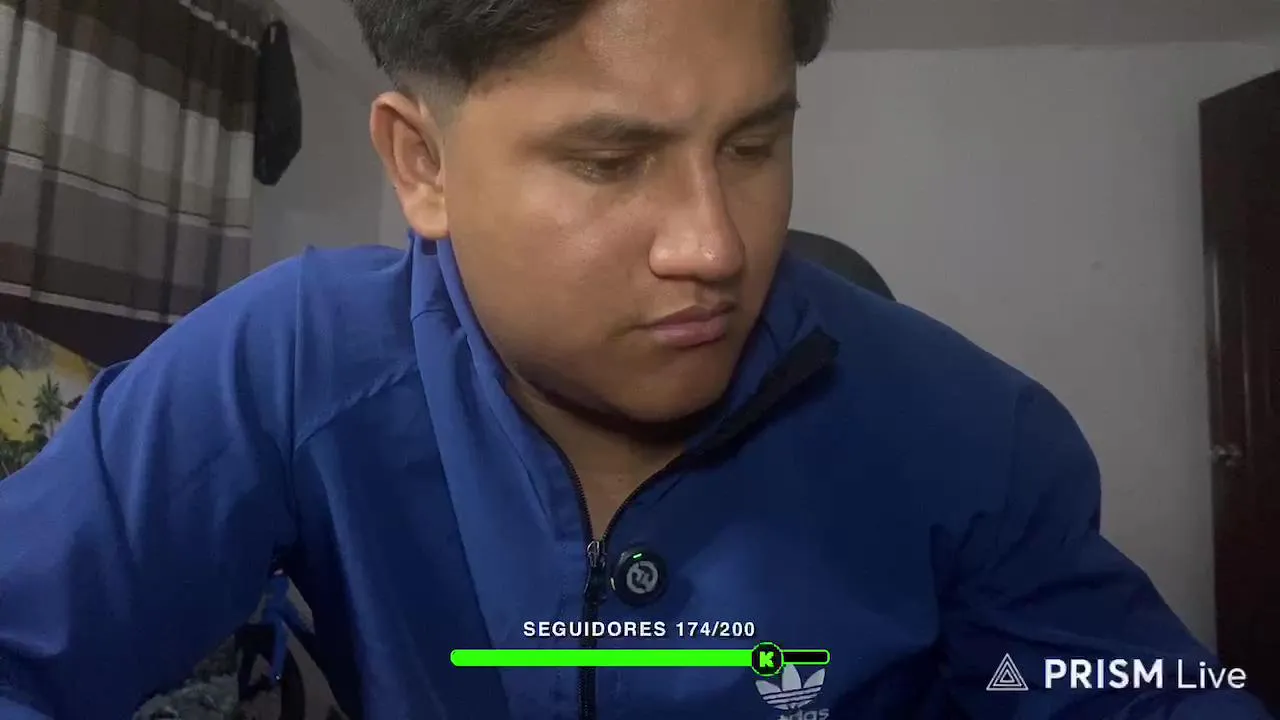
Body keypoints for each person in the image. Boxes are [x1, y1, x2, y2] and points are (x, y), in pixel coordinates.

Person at [0, 0, 1269, 717]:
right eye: (610, 163)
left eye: (753, 146)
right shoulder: (288, 368)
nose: (715, 247)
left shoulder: (970, 435)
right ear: (421, 164)